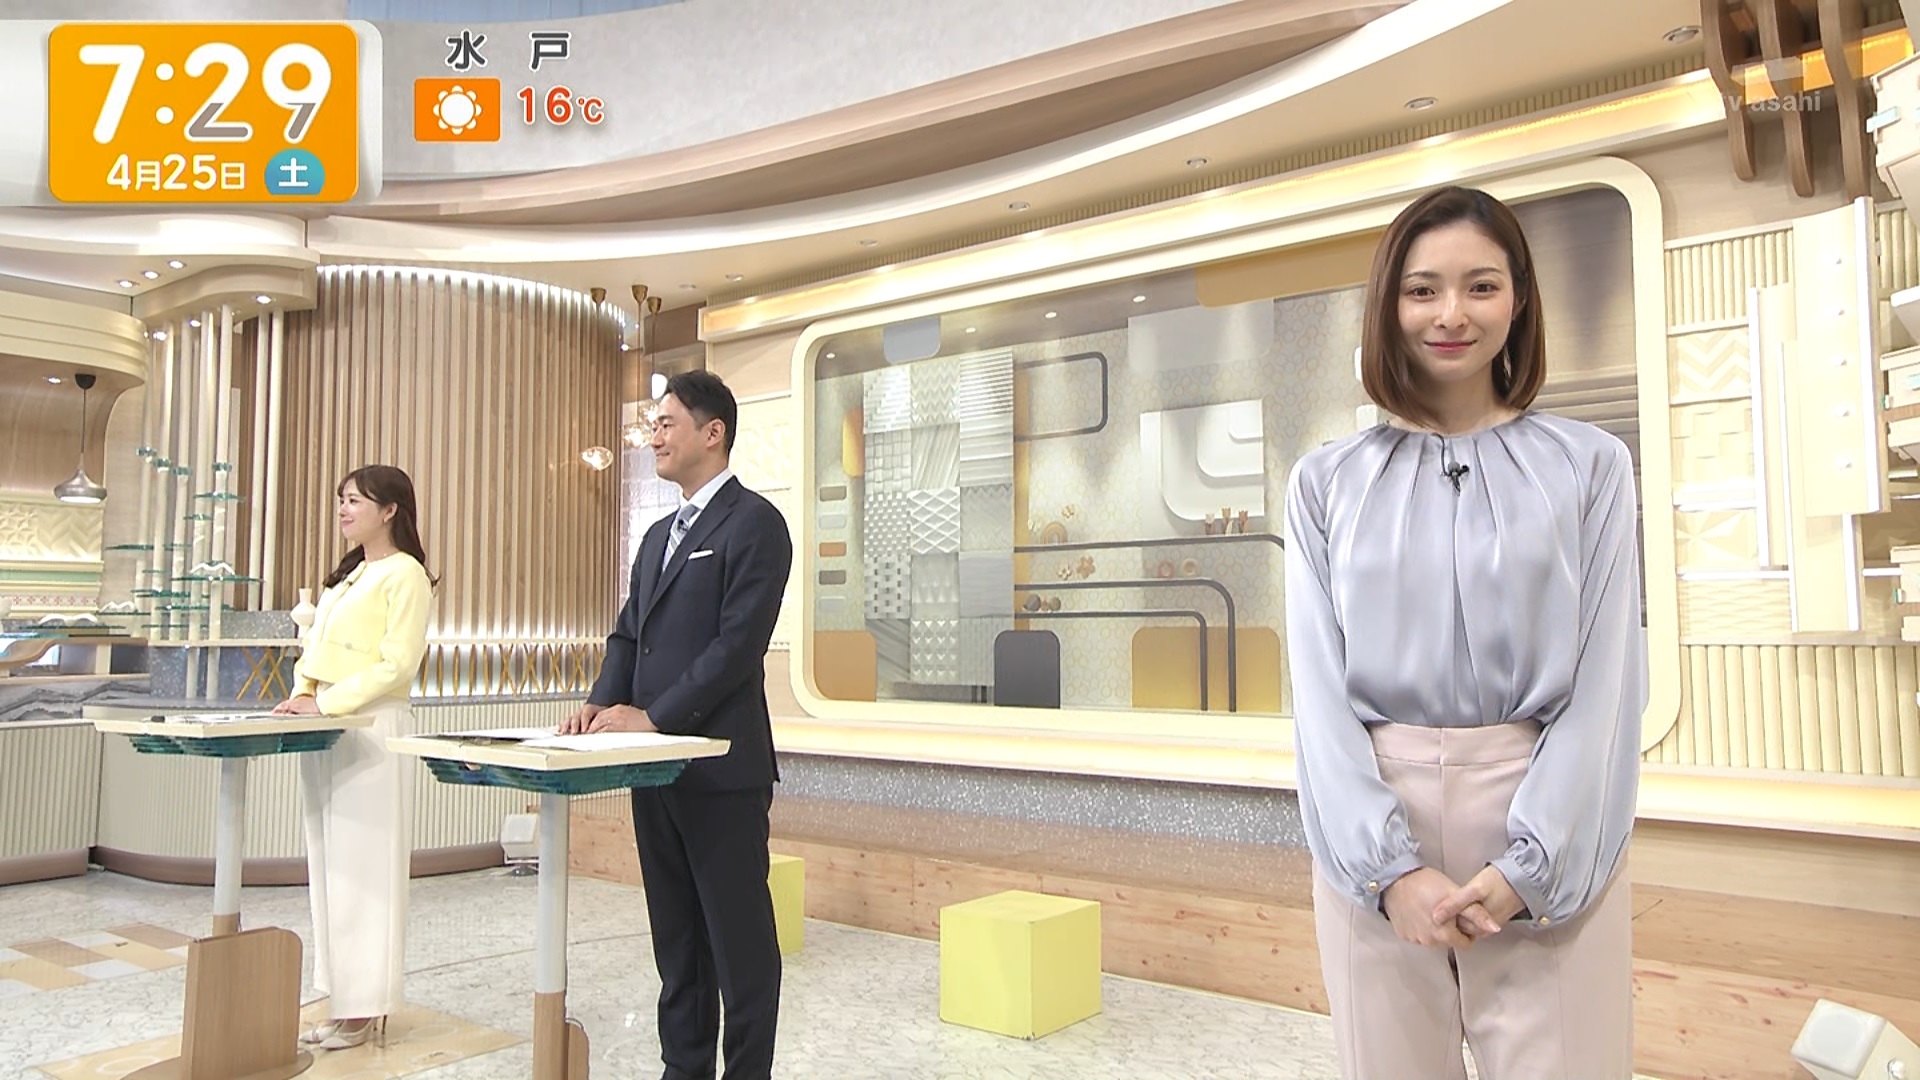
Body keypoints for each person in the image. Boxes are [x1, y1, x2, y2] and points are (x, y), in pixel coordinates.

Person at [1283, 185, 1645, 1079]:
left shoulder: (1591, 466)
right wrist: (1385, 870)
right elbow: (1317, 693)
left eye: (1481, 286)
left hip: (1544, 806)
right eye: (1422, 290)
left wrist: (1535, 865)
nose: (1451, 314)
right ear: (1388, 305)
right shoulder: (1325, 482)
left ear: (1518, 299)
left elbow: (1607, 679)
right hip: (1377, 815)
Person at [564, 370, 793, 1080]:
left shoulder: (755, 524)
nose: (654, 437)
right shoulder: (659, 534)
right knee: (677, 939)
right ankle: (683, 1068)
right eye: (654, 426)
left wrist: (656, 717)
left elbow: (736, 647)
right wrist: (602, 702)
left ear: (712, 432)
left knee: (739, 943)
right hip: (654, 770)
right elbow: (629, 634)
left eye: (666, 424)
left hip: (720, 768)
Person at [273, 464, 435, 1052]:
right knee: (330, 868)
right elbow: (313, 650)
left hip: (371, 728)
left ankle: (366, 1004)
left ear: (390, 510)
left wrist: (327, 703)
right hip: (328, 726)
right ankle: (342, 997)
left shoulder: (405, 574)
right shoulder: (345, 579)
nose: (343, 510)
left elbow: (397, 664)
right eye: (341, 500)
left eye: (355, 501)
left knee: (366, 871)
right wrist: (302, 695)